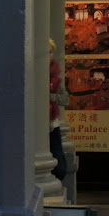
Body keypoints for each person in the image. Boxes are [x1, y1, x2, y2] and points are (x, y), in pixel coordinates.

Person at [48, 39, 69, 181]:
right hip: (39, 125)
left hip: (52, 123)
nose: (49, 55)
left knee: (60, 167)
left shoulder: (55, 75)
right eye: (47, 52)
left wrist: (49, 96)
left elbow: (65, 99)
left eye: (51, 52)